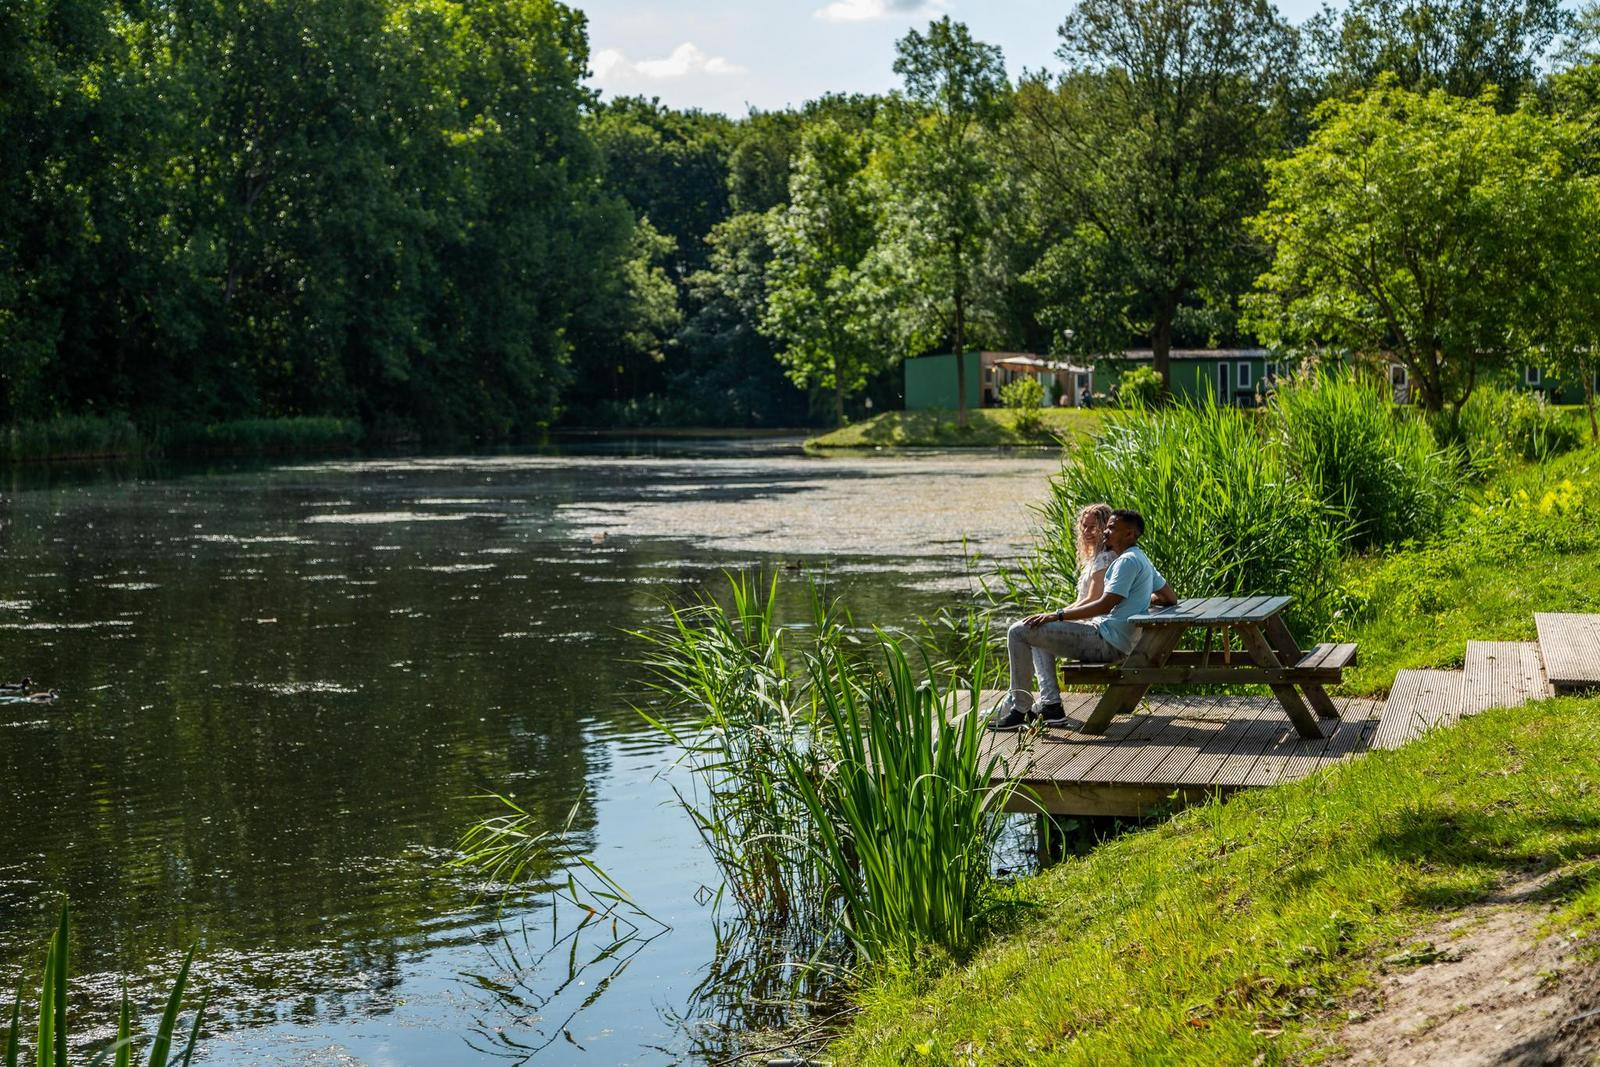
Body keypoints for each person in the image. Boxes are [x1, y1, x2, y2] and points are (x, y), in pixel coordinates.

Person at [990, 508, 1177, 730]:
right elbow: (1170, 597)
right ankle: (1051, 708)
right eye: (1107, 527)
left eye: (1112, 528)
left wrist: (1056, 614)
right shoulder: (1141, 558)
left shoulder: (1126, 561)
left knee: (1017, 631)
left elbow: (1103, 604)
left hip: (1106, 642)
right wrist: (1142, 600)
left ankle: (1020, 710)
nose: (1106, 531)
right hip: (1115, 639)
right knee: (1037, 630)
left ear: (1130, 534)